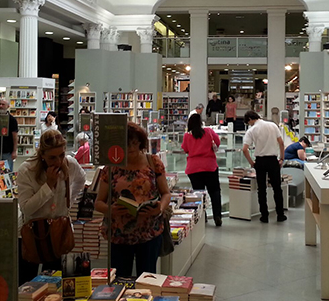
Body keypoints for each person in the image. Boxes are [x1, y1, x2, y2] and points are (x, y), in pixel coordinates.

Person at [95, 122, 171, 277]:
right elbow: (98, 202)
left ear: (141, 143)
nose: (130, 148)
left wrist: (160, 208)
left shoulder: (153, 162)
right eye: (126, 144)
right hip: (119, 234)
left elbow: (166, 193)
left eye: (134, 143)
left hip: (149, 231)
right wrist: (111, 210)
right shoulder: (111, 168)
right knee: (120, 280)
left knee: (147, 279)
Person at [16, 130, 86, 284]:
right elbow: (26, 208)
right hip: (32, 234)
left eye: (61, 155)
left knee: (55, 284)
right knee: (27, 284)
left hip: (57, 232)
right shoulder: (27, 170)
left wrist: (68, 202)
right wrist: (49, 184)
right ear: (42, 155)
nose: (58, 161)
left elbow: (81, 179)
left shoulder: (70, 164)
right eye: (52, 158)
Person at [242, 111, 287, 223]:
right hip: (273, 160)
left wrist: (252, 162)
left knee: (261, 189)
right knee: (277, 188)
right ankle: (280, 214)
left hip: (260, 161)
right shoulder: (272, 125)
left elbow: (244, 149)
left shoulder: (252, 130)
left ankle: (264, 216)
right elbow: (281, 143)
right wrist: (281, 158)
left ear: (250, 119)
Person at [181, 113, 222, 226]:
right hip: (210, 166)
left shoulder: (187, 136)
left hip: (194, 168)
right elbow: (217, 142)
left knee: (198, 194)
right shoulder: (209, 131)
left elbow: (185, 149)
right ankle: (217, 215)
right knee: (215, 192)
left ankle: (201, 217)